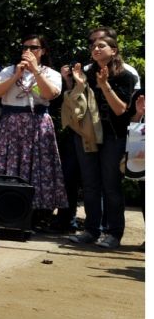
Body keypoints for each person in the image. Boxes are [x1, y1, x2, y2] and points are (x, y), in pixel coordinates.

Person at [0, 34, 66, 219]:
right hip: (11, 123)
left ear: (42, 51)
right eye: (25, 47)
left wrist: (35, 71)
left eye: (33, 47)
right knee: (6, 166)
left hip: (37, 124)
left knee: (37, 168)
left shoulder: (51, 74)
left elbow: (50, 94)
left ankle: (35, 215)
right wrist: (16, 76)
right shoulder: (9, 70)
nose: (28, 51)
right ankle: (1, 211)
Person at [65, 33, 136, 249]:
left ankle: (114, 233)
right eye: (93, 46)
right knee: (90, 184)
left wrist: (104, 85)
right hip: (88, 134)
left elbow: (121, 110)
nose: (95, 49)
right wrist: (76, 83)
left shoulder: (125, 75)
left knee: (111, 185)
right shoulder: (86, 72)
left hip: (114, 135)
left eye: (101, 46)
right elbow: (75, 104)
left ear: (113, 51)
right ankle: (91, 230)